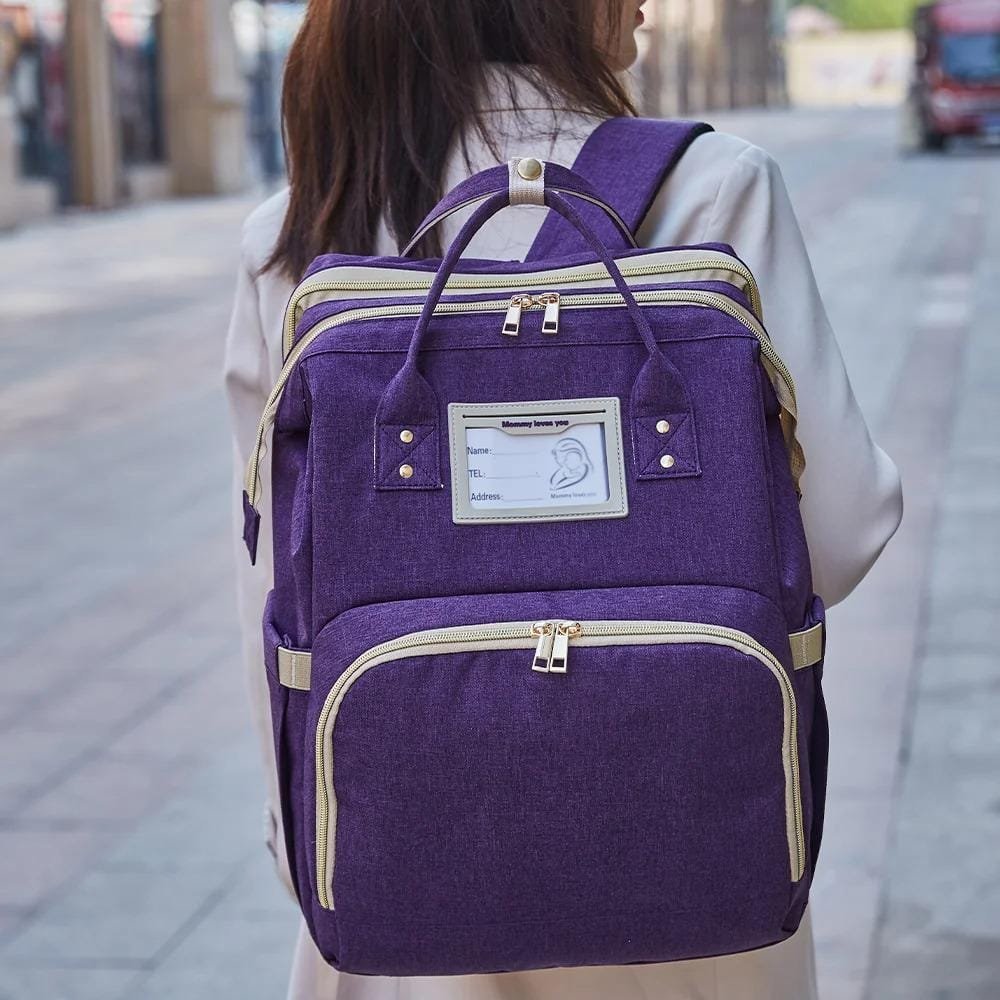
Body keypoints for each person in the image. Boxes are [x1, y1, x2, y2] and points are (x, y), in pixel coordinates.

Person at [223, 2, 904, 997]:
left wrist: (308, 846)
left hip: (404, 887)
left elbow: (273, 602)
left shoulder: (299, 229)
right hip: (692, 880)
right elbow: (838, 535)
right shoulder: (715, 189)